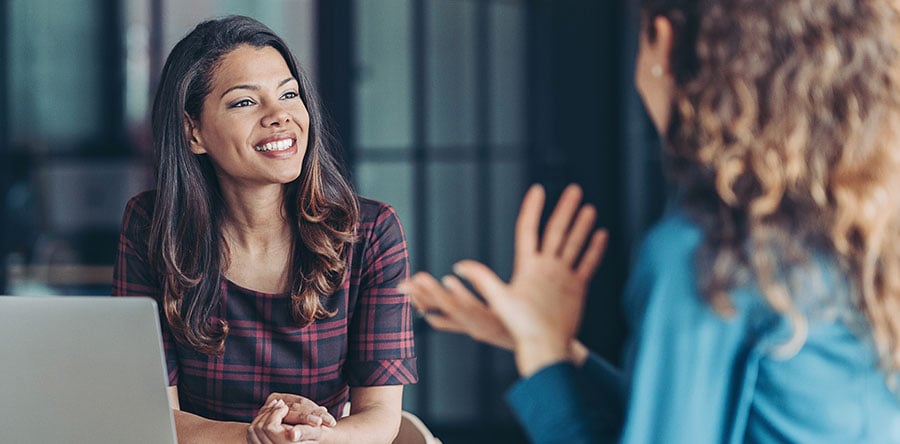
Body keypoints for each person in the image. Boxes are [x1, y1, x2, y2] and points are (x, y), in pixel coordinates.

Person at [400, 0, 900, 442]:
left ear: (662, 40)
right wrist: (552, 348)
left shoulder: (709, 251)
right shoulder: (860, 225)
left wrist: (547, 363)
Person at [113, 15, 417, 444]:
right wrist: (255, 437)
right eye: (244, 102)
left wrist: (307, 438)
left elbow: (381, 416)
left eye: (289, 94)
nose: (280, 116)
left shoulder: (370, 233)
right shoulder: (151, 226)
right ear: (193, 131)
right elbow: (150, 414)